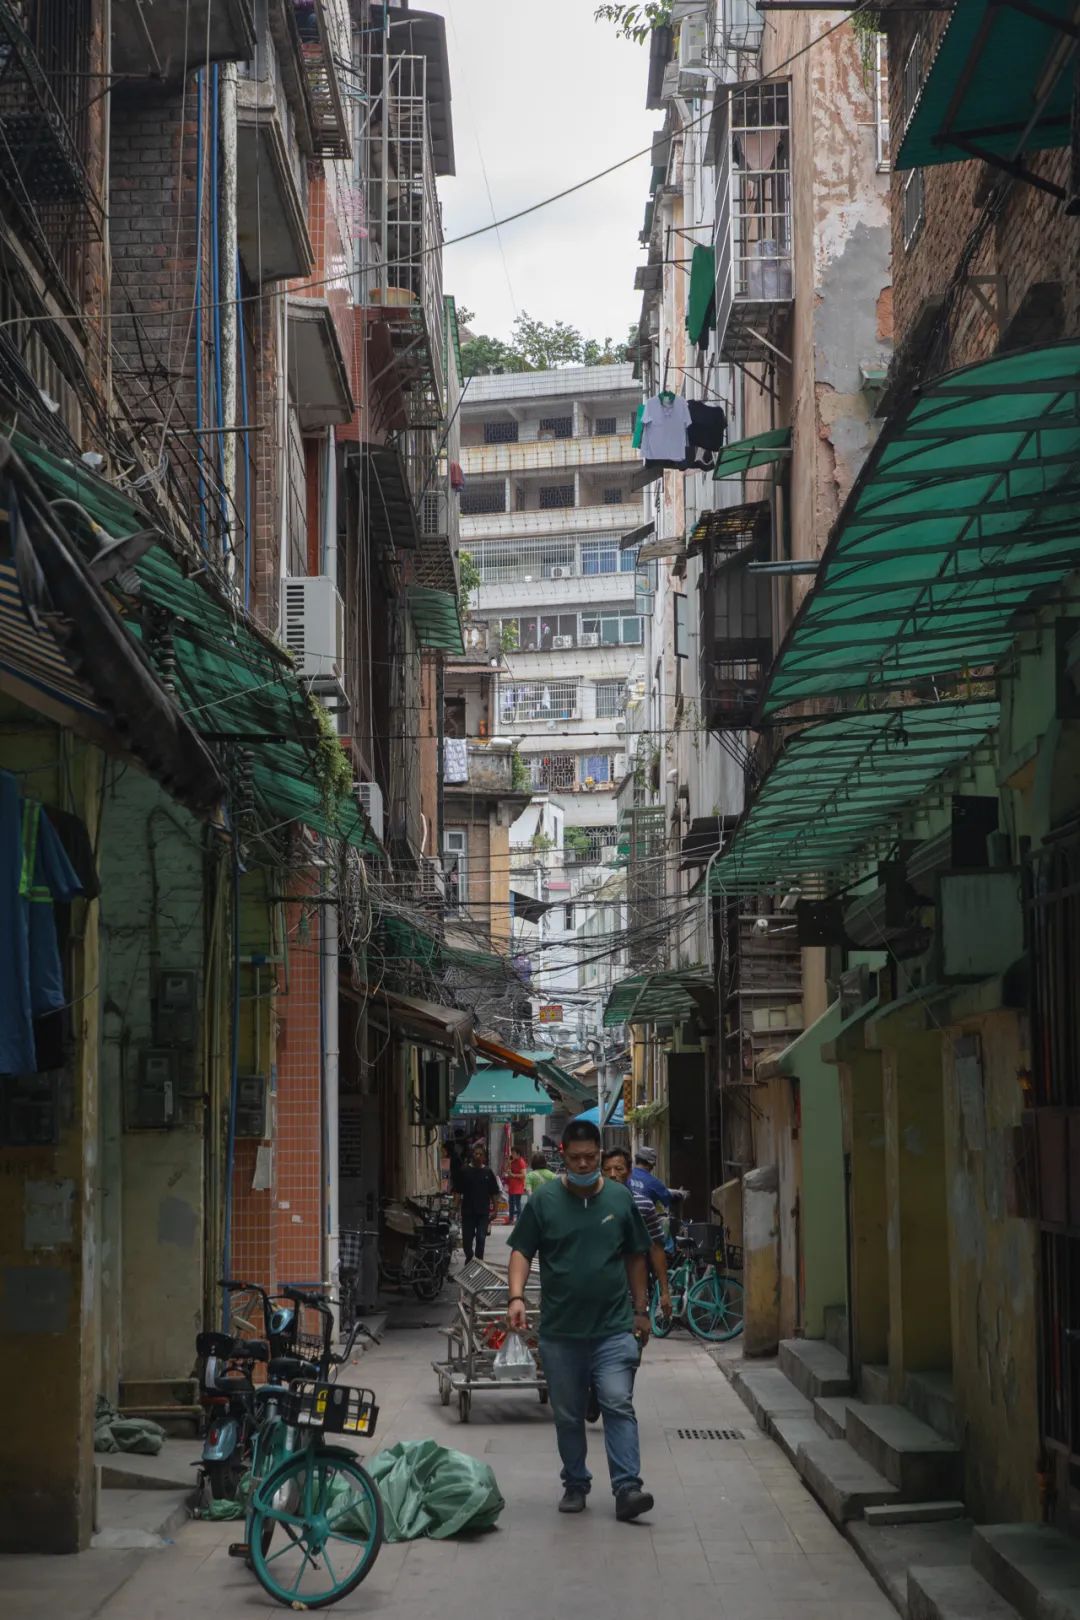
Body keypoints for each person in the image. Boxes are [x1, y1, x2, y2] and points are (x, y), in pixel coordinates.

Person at [507, 1118, 655, 1522]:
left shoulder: (620, 1200)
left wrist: (641, 1310)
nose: (585, 1164)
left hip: (613, 1328)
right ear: (564, 1158)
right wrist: (516, 1297)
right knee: (568, 1414)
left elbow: (635, 1256)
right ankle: (575, 1483)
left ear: (601, 1155)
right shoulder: (545, 1201)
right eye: (576, 1158)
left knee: (617, 1403)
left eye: (591, 1157)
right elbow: (521, 1250)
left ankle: (628, 1487)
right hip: (561, 1333)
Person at [602, 1148, 671, 1320]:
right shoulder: (590, 1206)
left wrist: (665, 1292)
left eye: (618, 1169)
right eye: (607, 1169)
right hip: (600, 1298)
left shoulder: (644, 1205)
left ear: (629, 1172)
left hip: (634, 1295)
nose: (612, 1174)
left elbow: (656, 1248)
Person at [453, 1143, 501, 1263]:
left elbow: (494, 1193)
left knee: (481, 1238)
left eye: (480, 1154)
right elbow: (458, 1192)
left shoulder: (487, 1172)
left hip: (483, 1213)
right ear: (472, 1155)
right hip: (468, 1212)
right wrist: (454, 1208)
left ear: (484, 1157)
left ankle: (479, 1263)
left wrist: (495, 1210)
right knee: (467, 1242)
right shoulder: (464, 1171)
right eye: (476, 1153)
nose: (478, 1156)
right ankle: (469, 1258)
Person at [506, 1145, 527, 1222]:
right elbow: (507, 1170)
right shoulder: (513, 1161)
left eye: (514, 1153)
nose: (512, 1154)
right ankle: (511, 1219)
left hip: (518, 1187)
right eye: (512, 1152)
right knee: (511, 1203)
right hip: (511, 1186)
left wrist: (513, 1175)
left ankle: (519, 1220)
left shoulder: (521, 1162)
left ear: (518, 1154)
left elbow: (524, 1175)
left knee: (517, 1204)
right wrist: (509, 1163)